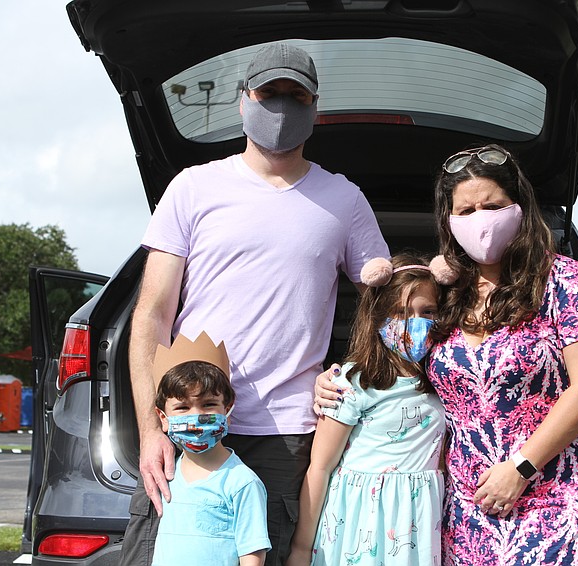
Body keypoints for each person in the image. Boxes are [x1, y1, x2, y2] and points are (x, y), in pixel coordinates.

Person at [121, 41, 390, 566]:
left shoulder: (344, 199)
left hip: (286, 433)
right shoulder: (193, 188)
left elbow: (387, 304)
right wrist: (152, 430)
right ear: (243, 100)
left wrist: (343, 373)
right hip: (188, 419)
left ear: (316, 108)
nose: (282, 108)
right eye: (270, 93)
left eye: (296, 96)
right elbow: (152, 313)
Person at [426, 144, 578, 565]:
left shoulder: (560, 278)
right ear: (449, 222)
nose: (480, 219)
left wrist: (521, 467)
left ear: (518, 208)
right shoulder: (444, 294)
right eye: (466, 211)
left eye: (492, 205)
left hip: (564, 494)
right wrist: (336, 381)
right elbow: (392, 364)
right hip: (472, 508)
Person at [286, 253, 447, 566]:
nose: (413, 323)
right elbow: (320, 466)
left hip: (420, 521)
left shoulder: (448, 378)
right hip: (361, 520)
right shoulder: (353, 381)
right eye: (399, 312)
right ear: (377, 316)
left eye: (427, 311)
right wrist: (301, 548)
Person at [151, 332, 269, 566]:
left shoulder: (242, 482)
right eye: (182, 407)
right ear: (163, 418)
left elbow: (252, 555)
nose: (196, 417)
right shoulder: (167, 476)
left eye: (208, 405)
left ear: (227, 408)